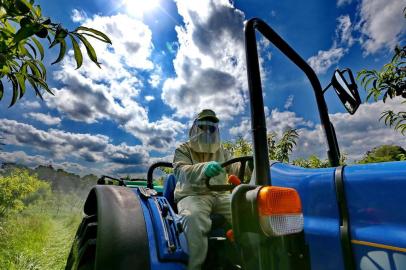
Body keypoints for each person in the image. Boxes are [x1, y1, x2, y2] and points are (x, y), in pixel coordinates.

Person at [173, 109, 237, 270]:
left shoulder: (223, 151)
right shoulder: (183, 149)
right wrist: (204, 169)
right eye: (203, 127)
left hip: (221, 195)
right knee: (193, 218)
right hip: (192, 195)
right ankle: (193, 266)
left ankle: (250, 259)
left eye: (211, 128)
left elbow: (235, 168)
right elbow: (180, 171)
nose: (207, 131)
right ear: (195, 128)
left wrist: (252, 166)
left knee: (245, 211)